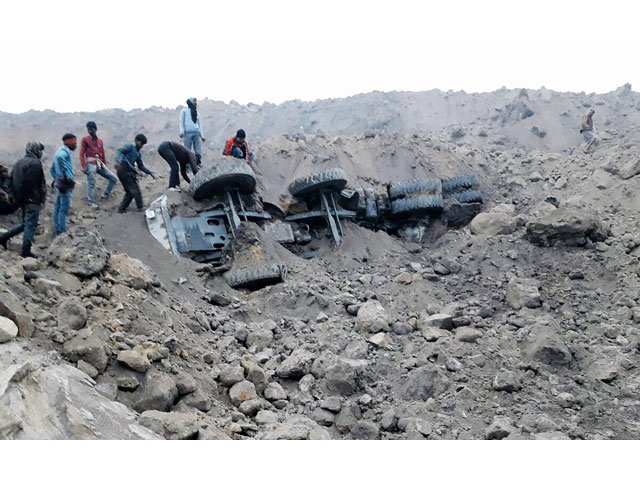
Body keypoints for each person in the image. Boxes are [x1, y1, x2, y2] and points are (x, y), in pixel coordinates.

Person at [0, 142, 46, 257]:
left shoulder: (18, 163)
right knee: (31, 225)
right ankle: (26, 251)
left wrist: (14, 197)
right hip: (32, 199)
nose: (41, 153)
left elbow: (9, 181)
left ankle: (4, 237)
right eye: (39, 150)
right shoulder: (35, 164)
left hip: (22, 200)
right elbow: (29, 183)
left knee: (26, 223)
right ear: (35, 150)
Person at [80, 121, 117, 208]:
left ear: (95, 129)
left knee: (113, 178)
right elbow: (82, 153)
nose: (89, 131)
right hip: (91, 163)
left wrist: (104, 165)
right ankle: (91, 201)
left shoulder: (100, 141)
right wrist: (84, 166)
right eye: (88, 129)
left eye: (91, 129)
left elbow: (102, 153)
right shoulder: (85, 140)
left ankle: (105, 195)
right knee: (91, 183)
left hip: (99, 163)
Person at [114, 134, 155, 213]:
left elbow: (141, 166)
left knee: (130, 192)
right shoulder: (130, 147)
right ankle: (140, 207)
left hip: (128, 172)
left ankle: (122, 209)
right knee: (135, 189)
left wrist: (149, 172)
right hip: (123, 169)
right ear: (136, 141)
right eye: (141, 143)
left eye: (143, 144)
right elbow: (120, 150)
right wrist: (117, 161)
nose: (141, 145)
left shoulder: (138, 154)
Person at [51, 134, 77, 236]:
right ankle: (61, 232)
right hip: (65, 184)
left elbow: (52, 169)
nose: (75, 144)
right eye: (74, 142)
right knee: (64, 209)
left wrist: (56, 178)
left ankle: (57, 229)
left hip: (59, 183)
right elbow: (60, 158)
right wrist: (65, 177)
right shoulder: (63, 152)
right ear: (68, 141)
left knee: (58, 207)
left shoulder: (58, 151)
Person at [179, 97, 205, 165]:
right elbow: (181, 121)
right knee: (187, 149)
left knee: (198, 149)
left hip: (196, 132)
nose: (195, 103)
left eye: (195, 102)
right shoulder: (184, 111)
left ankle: (198, 163)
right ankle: (187, 165)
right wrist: (181, 131)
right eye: (194, 101)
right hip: (187, 133)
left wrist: (202, 135)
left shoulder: (197, 113)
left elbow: (199, 124)